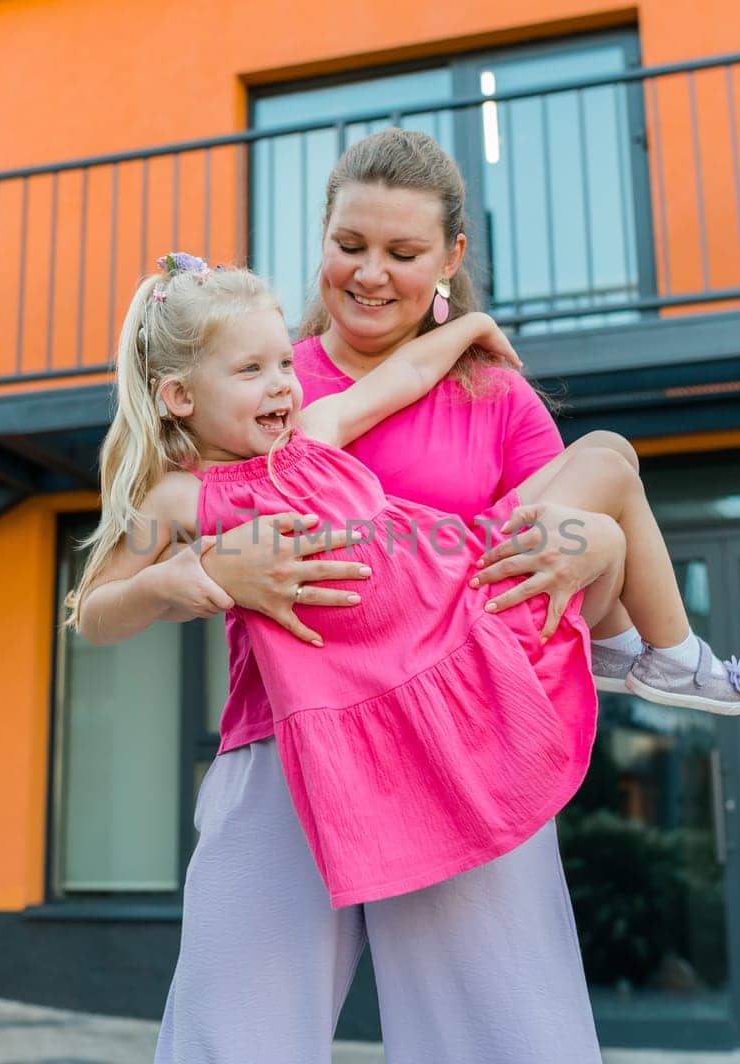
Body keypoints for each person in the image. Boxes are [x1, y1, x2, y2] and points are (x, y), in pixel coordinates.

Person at [70, 129, 673, 1063]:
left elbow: (569, 568)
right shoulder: (260, 374)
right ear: (321, 236)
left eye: (402, 253)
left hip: (461, 730)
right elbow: (104, 599)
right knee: (232, 1039)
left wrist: (594, 541)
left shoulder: (496, 399)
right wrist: (203, 578)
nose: (370, 274)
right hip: (282, 741)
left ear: (450, 259)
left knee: (505, 1040)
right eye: (350, 245)